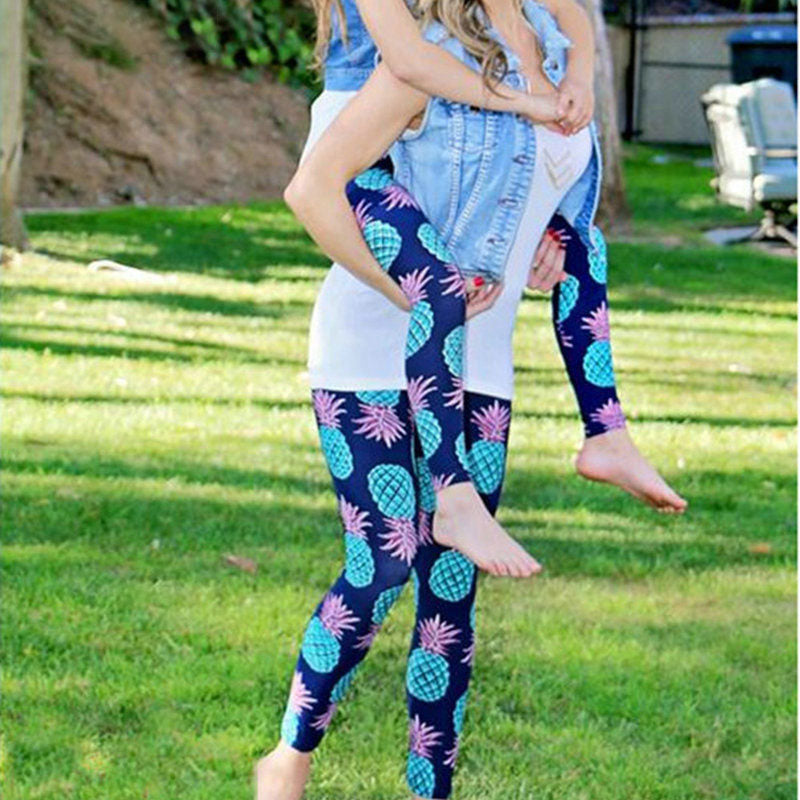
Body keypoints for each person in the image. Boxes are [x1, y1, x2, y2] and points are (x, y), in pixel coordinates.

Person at [258, 1, 687, 799]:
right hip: (371, 354)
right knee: (383, 565)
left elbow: (536, 202)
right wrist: (420, 295)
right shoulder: (429, 58)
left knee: (450, 599)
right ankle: (289, 758)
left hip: (480, 364)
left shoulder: (559, 56)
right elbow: (316, 186)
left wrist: (552, 240)